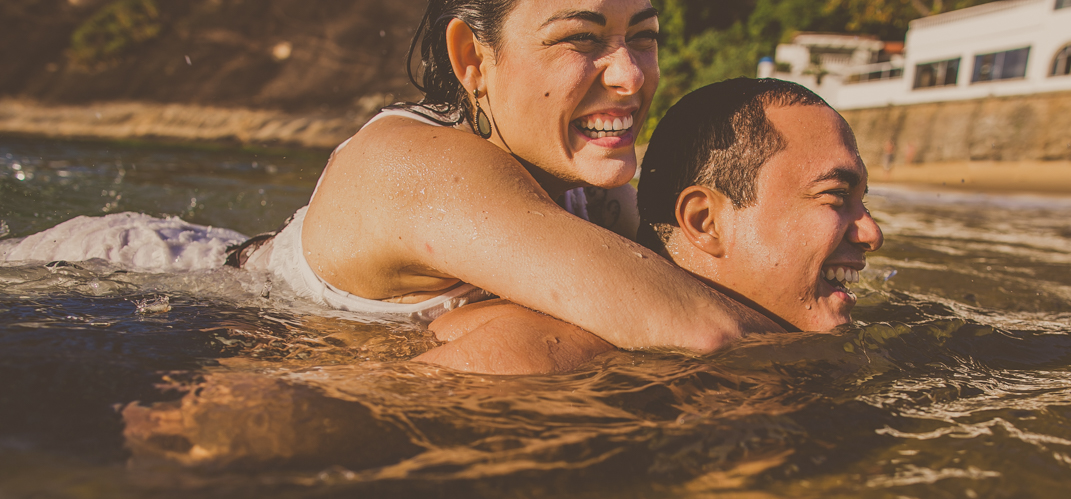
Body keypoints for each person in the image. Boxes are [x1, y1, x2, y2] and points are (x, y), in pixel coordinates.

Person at [3, 0, 778, 352]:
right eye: (580, 38)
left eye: (641, 37)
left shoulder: (587, 166)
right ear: (473, 60)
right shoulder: (418, 167)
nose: (631, 75)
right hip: (127, 278)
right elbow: (697, 327)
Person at [414, 77, 884, 374]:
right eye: (836, 197)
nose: (872, 233)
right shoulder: (545, 356)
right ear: (705, 221)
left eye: (863, 201)